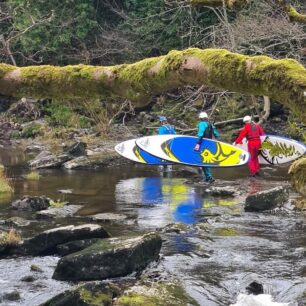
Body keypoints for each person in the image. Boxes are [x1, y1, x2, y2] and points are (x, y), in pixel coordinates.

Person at [194, 111, 220, 183]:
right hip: (209, 143)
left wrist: (197, 144)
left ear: (201, 118)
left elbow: (200, 134)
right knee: (205, 160)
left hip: (203, 144)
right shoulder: (210, 124)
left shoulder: (202, 124)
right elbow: (216, 134)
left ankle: (209, 177)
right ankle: (207, 177)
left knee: (203, 161)